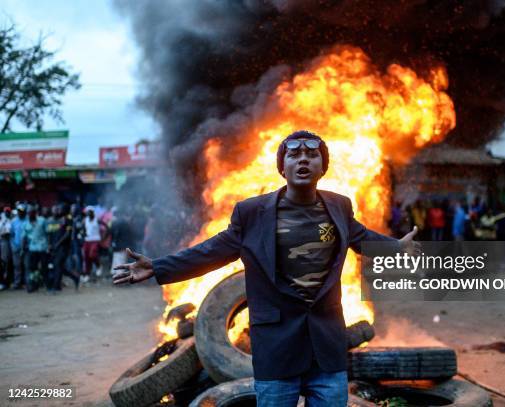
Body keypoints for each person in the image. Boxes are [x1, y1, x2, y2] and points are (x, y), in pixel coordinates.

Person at [113, 130, 420, 407]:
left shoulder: (339, 206)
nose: (303, 160)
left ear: (323, 167)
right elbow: (211, 252)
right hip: (277, 351)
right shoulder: (251, 213)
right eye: (294, 154)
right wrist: (158, 267)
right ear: (281, 166)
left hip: (326, 353)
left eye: (311, 155)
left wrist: (395, 249)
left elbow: (362, 238)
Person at [47, 204, 80, 292]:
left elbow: (67, 234)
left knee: (57, 265)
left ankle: (55, 286)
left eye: (60, 209)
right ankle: (75, 278)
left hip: (64, 247)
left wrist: (57, 244)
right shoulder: (59, 219)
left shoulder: (68, 219)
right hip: (57, 246)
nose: (58, 210)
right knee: (60, 267)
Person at [23, 206, 48, 292]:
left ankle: (47, 284)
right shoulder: (26, 224)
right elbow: (24, 236)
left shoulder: (42, 220)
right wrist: (23, 249)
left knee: (44, 267)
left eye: (31, 213)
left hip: (43, 248)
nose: (30, 214)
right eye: (28, 213)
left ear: (35, 213)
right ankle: (34, 285)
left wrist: (49, 245)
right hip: (32, 249)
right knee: (33, 268)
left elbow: (47, 233)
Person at [110, 208, 134, 276]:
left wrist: (113, 244)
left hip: (116, 246)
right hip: (122, 246)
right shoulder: (124, 223)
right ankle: (119, 278)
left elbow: (112, 234)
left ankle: (116, 276)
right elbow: (128, 236)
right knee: (121, 262)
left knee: (116, 261)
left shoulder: (114, 222)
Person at [10, 204, 27, 289]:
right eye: (19, 211)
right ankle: (17, 283)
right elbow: (12, 235)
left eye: (22, 211)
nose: (20, 213)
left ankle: (26, 283)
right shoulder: (13, 221)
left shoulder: (28, 220)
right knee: (17, 265)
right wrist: (13, 245)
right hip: (16, 247)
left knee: (26, 265)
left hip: (26, 248)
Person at [83, 206, 102, 282]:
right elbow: (84, 229)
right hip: (87, 240)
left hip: (95, 240)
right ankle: (87, 274)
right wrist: (84, 234)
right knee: (86, 258)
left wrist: (103, 238)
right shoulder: (85, 220)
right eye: (87, 212)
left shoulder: (97, 220)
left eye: (89, 211)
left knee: (92, 255)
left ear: (93, 212)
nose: (88, 213)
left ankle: (98, 266)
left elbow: (106, 227)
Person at [0, 207, 13, 290]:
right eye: (6, 211)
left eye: (8, 212)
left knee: (4, 262)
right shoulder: (2, 220)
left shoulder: (10, 221)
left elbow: (7, 234)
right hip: (1, 241)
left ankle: (5, 282)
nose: (7, 213)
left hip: (5, 242)